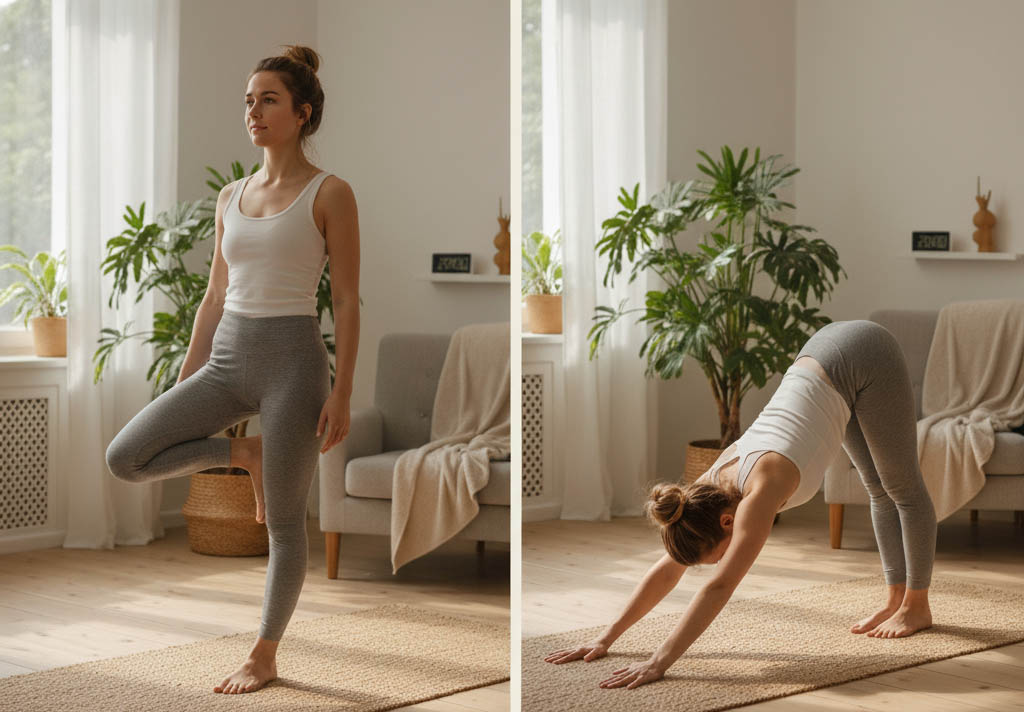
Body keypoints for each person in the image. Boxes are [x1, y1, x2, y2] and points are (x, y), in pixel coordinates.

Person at [104, 45, 360, 695]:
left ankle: (264, 654)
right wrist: (186, 382)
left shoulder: (331, 193)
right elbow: (214, 297)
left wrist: (342, 393)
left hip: (294, 368)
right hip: (225, 361)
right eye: (249, 100)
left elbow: (348, 300)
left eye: (269, 99)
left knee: (285, 525)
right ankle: (244, 454)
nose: (254, 111)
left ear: (303, 113)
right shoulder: (231, 196)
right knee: (125, 457)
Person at [543, 320, 938, 690]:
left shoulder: (759, 492)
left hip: (864, 351)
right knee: (877, 488)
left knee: (902, 487)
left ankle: (916, 605)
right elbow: (667, 571)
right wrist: (606, 637)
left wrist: (659, 662)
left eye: (712, 556)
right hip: (825, 357)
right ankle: (895, 600)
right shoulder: (703, 493)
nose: (715, 564)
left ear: (727, 522)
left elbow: (720, 587)